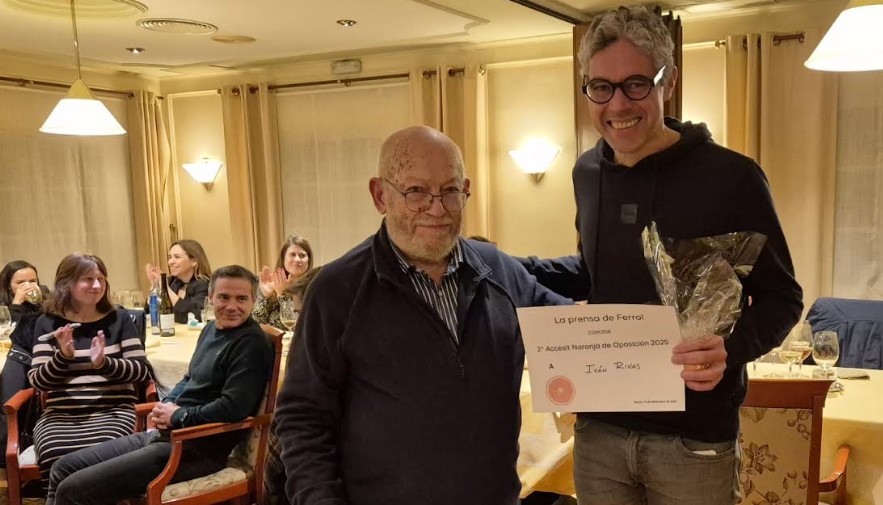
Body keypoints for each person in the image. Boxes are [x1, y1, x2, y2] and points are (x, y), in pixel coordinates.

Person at [522, 6, 803, 504]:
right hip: (600, 432)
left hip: (693, 440)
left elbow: (783, 298)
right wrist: (509, 267)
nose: (617, 104)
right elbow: (595, 273)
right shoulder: (587, 173)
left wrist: (730, 349)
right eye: (600, 87)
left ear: (667, 81)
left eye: (635, 84)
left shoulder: (732, 177)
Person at [274, 125, 571, 505]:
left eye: (450, 191)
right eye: (415, 191)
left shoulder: (500, 272)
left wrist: (646, 337)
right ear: (380, 195)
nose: (437, 209)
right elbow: (303, 417)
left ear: (465, 190)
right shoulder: (338, 290)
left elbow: (575, 334)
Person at [45, 265, 274, 505]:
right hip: (167, 435)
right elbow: (190, 378)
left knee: (72, 490)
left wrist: (179, 416)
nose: (232, 306)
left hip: (196, 448)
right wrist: (166, 404)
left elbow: (233, 408)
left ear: (254, 301)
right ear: (210, 298)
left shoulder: (251, 343)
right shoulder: (210, 328)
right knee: (62, 467)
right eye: (224, 297)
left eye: (241, 299)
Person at [28, 253, 152, 496]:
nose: (97, 285)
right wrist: (63, 357)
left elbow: (141, 371)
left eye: (101, 279)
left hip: (114, 411)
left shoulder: (119, 319)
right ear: (67, 283)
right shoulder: (48, 322)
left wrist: (104, 363)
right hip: (61, 416)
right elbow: (38, 381)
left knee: (104, 452)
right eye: (88, 279)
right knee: (54, 450)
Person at [252, 235, 313, 329]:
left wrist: (282, 294)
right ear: (283, 258)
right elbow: (256, 322)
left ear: (308, 260)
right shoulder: (271, 282)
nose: (297, 259)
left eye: (302, 255)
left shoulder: (314, 286)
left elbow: (296, 326)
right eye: (292, 255)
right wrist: (265, 296)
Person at [146, 239, 212, 324]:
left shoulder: (205, 285)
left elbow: (194, 316)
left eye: (177, 257)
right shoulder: (171, 281)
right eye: (170, 257)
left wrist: (165, 288)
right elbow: (148, 313)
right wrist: (154, 286)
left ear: (194, 262)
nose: (170, 262)